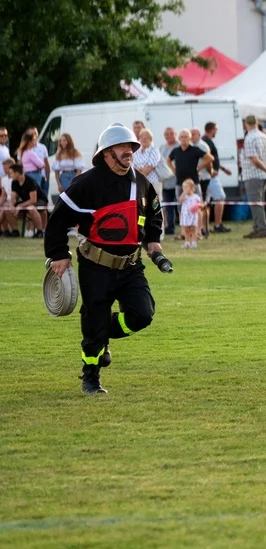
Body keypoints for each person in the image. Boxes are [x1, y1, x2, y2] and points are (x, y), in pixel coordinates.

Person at [44, 123, 166, 394]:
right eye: (123, 147)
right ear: (107, 153)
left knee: (142, 315)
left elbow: (154, 213)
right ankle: (91, 377)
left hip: (131, 265)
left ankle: (106, 329)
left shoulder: (142, 183)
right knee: (93, 326)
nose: (129, 152)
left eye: (132, 147)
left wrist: (153, 240)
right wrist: (58, 254)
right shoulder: (86, 184)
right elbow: (57, 221)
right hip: (95, 266)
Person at [241, 115, 266, 239]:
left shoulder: (249, 138)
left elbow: (254, 160)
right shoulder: (264, 136)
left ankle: (261, 229)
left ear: (246, 124)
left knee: (255, 204)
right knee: (258, 203)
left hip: (253, 174)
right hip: (263, 175)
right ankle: (256, 228)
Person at [202, 122, 232, 233]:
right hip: (211, 176)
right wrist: (211, 170)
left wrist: (223, 169)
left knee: (206, 202)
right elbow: (208, 159)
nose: (216, 132)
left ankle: (204, 227)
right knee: (220, 198)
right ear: (212, 129)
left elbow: (214, 159)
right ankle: (218, 224)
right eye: (216, 130)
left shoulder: (205, 141)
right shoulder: (206, 141)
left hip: (209, 175)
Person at [5, 163, 45, 237]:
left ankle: (40, 231)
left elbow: (33, 200)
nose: (10, 175)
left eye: (11, 173)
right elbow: (13, 198)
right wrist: (11, 205)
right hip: (26, 201)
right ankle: (15, 231)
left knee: (31, 208)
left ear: (17, 173)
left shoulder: (30, 181)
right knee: (7, 209)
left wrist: (19, 206)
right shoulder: (14, 182)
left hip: (40, 200)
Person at [159, 128, 179, 237]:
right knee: (167, 206)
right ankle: (169, 227)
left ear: (176, 134)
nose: (169, 135)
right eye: (167, 134)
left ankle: (183, 227)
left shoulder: (179, 146)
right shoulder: (162, 147)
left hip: (177, 181)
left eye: (172, 133)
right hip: (165, 182)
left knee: (178, 206)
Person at [178, 178, 203, 248]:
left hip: (193, 216)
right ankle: (187, 243)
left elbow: (201, 204)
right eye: (183, 187)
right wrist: (183, 193)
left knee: (193, 229)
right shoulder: (184, 196)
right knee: (186, 230)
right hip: (185, 216)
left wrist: (198, 206)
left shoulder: (196, 197)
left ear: (192, 187)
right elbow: (180, 201)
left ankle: (194, 243)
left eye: (186, 187)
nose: (185, 189)